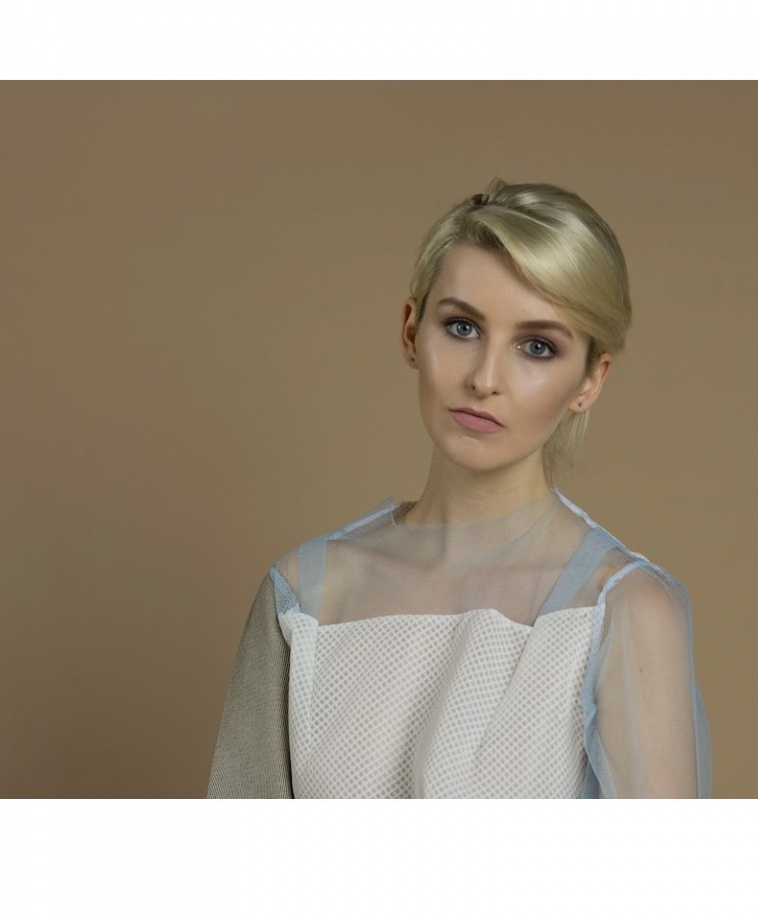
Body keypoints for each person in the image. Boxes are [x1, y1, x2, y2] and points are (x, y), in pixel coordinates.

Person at [206, 179, 712, 798]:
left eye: (537, 346)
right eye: (463, 327)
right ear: (410, 332)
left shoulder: (622, 610)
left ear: (590, 380)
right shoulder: (304, 595)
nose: (485, 379)